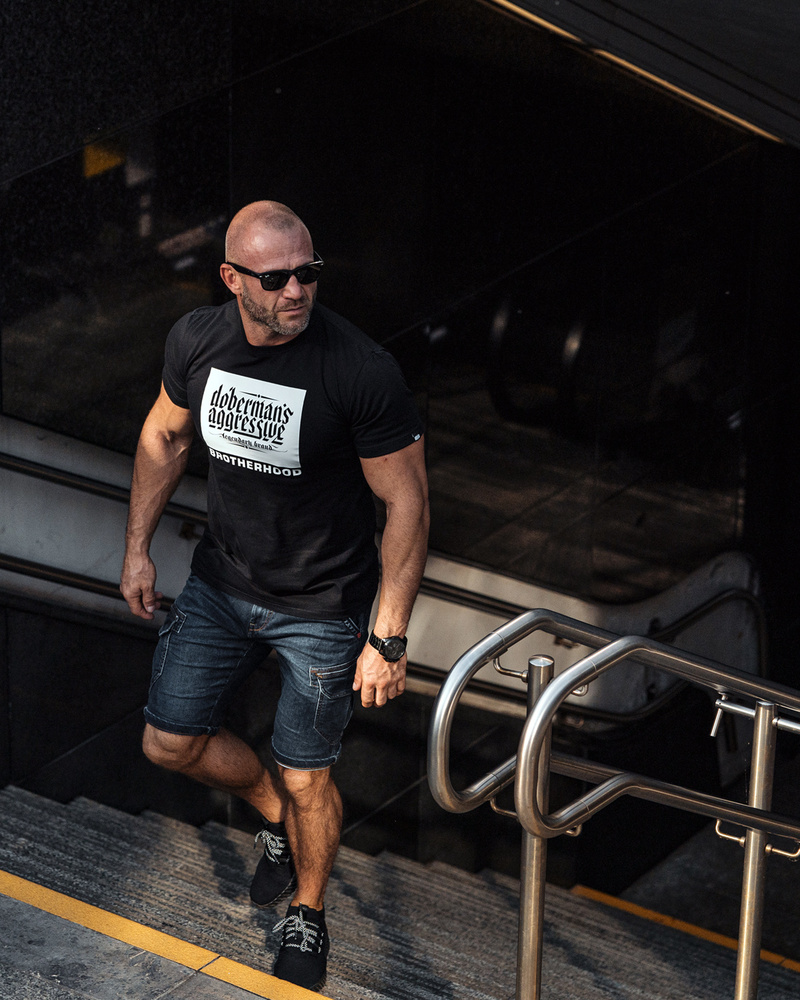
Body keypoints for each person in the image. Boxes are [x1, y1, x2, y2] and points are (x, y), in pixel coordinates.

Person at [120, 200, 429, 991]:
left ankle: (309, 911)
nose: (297, 290)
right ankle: (270, 817)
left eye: (308, 272)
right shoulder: (198, 340)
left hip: (323, 607)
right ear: (232, 279)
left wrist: (388, 636)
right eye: (276, 278)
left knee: (306, 776)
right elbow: (164, 436)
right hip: (222, 584)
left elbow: (407, 502)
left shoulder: (359, 370)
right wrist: (137, 552)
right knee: (167, 744)